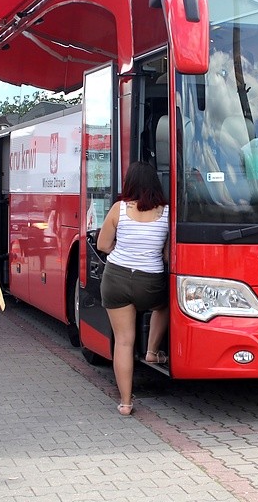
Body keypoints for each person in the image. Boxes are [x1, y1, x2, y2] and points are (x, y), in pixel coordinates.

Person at [95, 161, 170, 416]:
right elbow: (168, 254)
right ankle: (152, 351)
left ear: (129, 183)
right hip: (150, 281)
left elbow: (103, 245)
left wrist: (124, 253)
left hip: (116, 278)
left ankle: (126, 403)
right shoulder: (167, 213)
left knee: (124, 342)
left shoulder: (119, 209)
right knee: (165, 305)